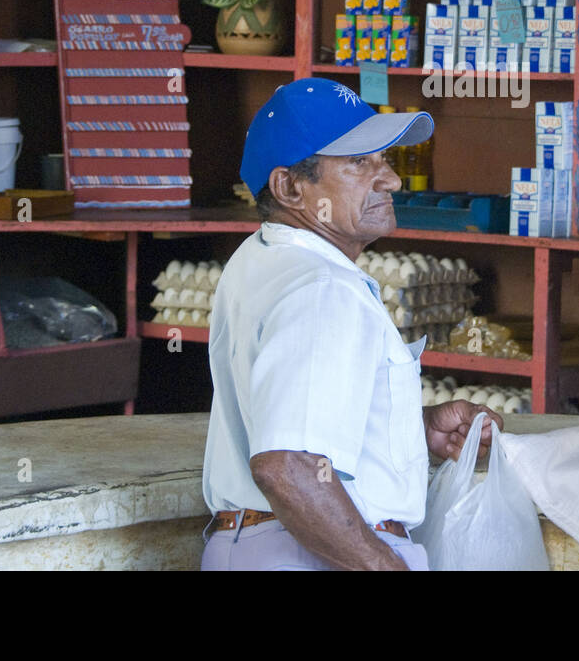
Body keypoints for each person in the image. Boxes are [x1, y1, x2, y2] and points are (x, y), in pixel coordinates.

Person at [201, 77, 501, 571]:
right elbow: (287, 466)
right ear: (290, 187)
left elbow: (291, 429)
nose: (391, 180)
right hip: (304, 554)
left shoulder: (264, 259)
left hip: (262, 548)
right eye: (359, 163)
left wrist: (409, 430)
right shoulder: (323, 288)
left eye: (382, 159)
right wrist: (384, 566)